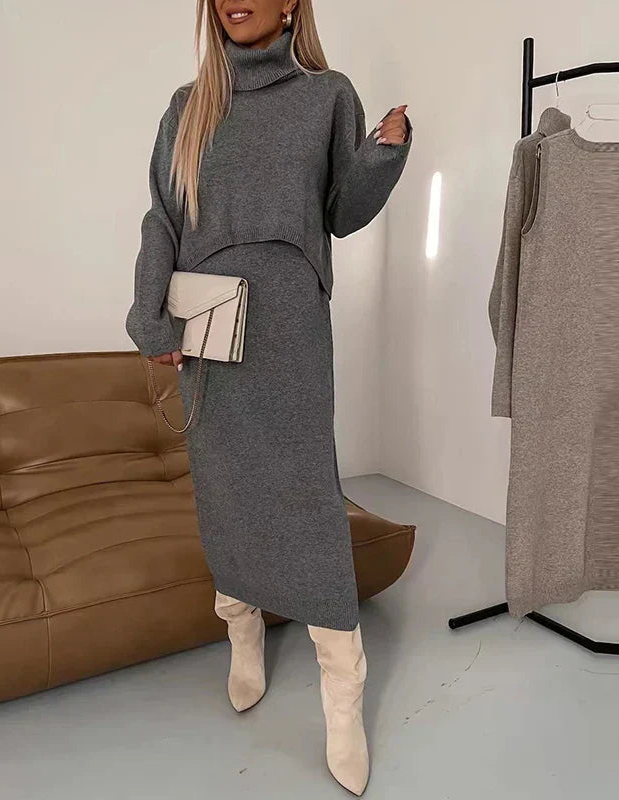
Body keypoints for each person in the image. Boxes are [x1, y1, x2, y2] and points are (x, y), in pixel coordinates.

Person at [125, 1, 412, 793]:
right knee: (225, 487)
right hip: (208, 324)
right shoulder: (188, 107)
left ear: (292, 3)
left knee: (304, 495)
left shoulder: (327, 95)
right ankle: (242, 630)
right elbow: (162, 219)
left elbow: (341, 212)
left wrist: (383, 154)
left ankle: (342, 689)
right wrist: (149, 315)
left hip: (289, 322)